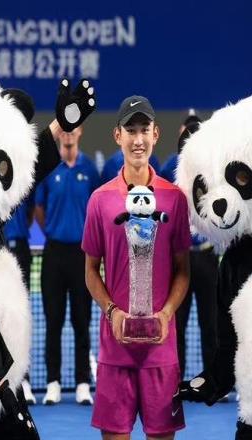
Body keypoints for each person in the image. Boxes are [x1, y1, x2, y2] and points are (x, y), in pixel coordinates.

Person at [83, 96, 191, 439]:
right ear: (118, 136)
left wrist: (167, 313)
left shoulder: (175, 199)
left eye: (144, 130)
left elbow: (183, 270)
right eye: (131, 131)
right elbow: (90, 271)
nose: (138, 139)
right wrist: (112, 311)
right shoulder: (99, 200)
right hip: (114, 352)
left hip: (161, 353)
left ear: (156, 134)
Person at [35, 125, 100, 405]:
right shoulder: (50, 169)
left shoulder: (90, 170)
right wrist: (53, 231)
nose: (69, 133)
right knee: (53, 322)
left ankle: (83, 384)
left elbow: (97, 210)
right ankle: (53, 383)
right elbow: (39, 210)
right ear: (60, 134)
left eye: (74, 129)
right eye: (66, 129)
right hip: (54, 254)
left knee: (82, 322)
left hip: (82, 256)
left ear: (81, 132)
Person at [160, 111, 218, 380]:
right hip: (178, 259)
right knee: (177, 323)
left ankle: (212, 380)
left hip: (207, 257)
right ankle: (175, 379)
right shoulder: (168, 170)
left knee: (211, 322)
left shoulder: (215, 171)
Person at [4, 195, 37, 404]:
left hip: (20, 250)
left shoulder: (23, 185)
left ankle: (23, 380)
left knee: (20, 318)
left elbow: (31, 213)